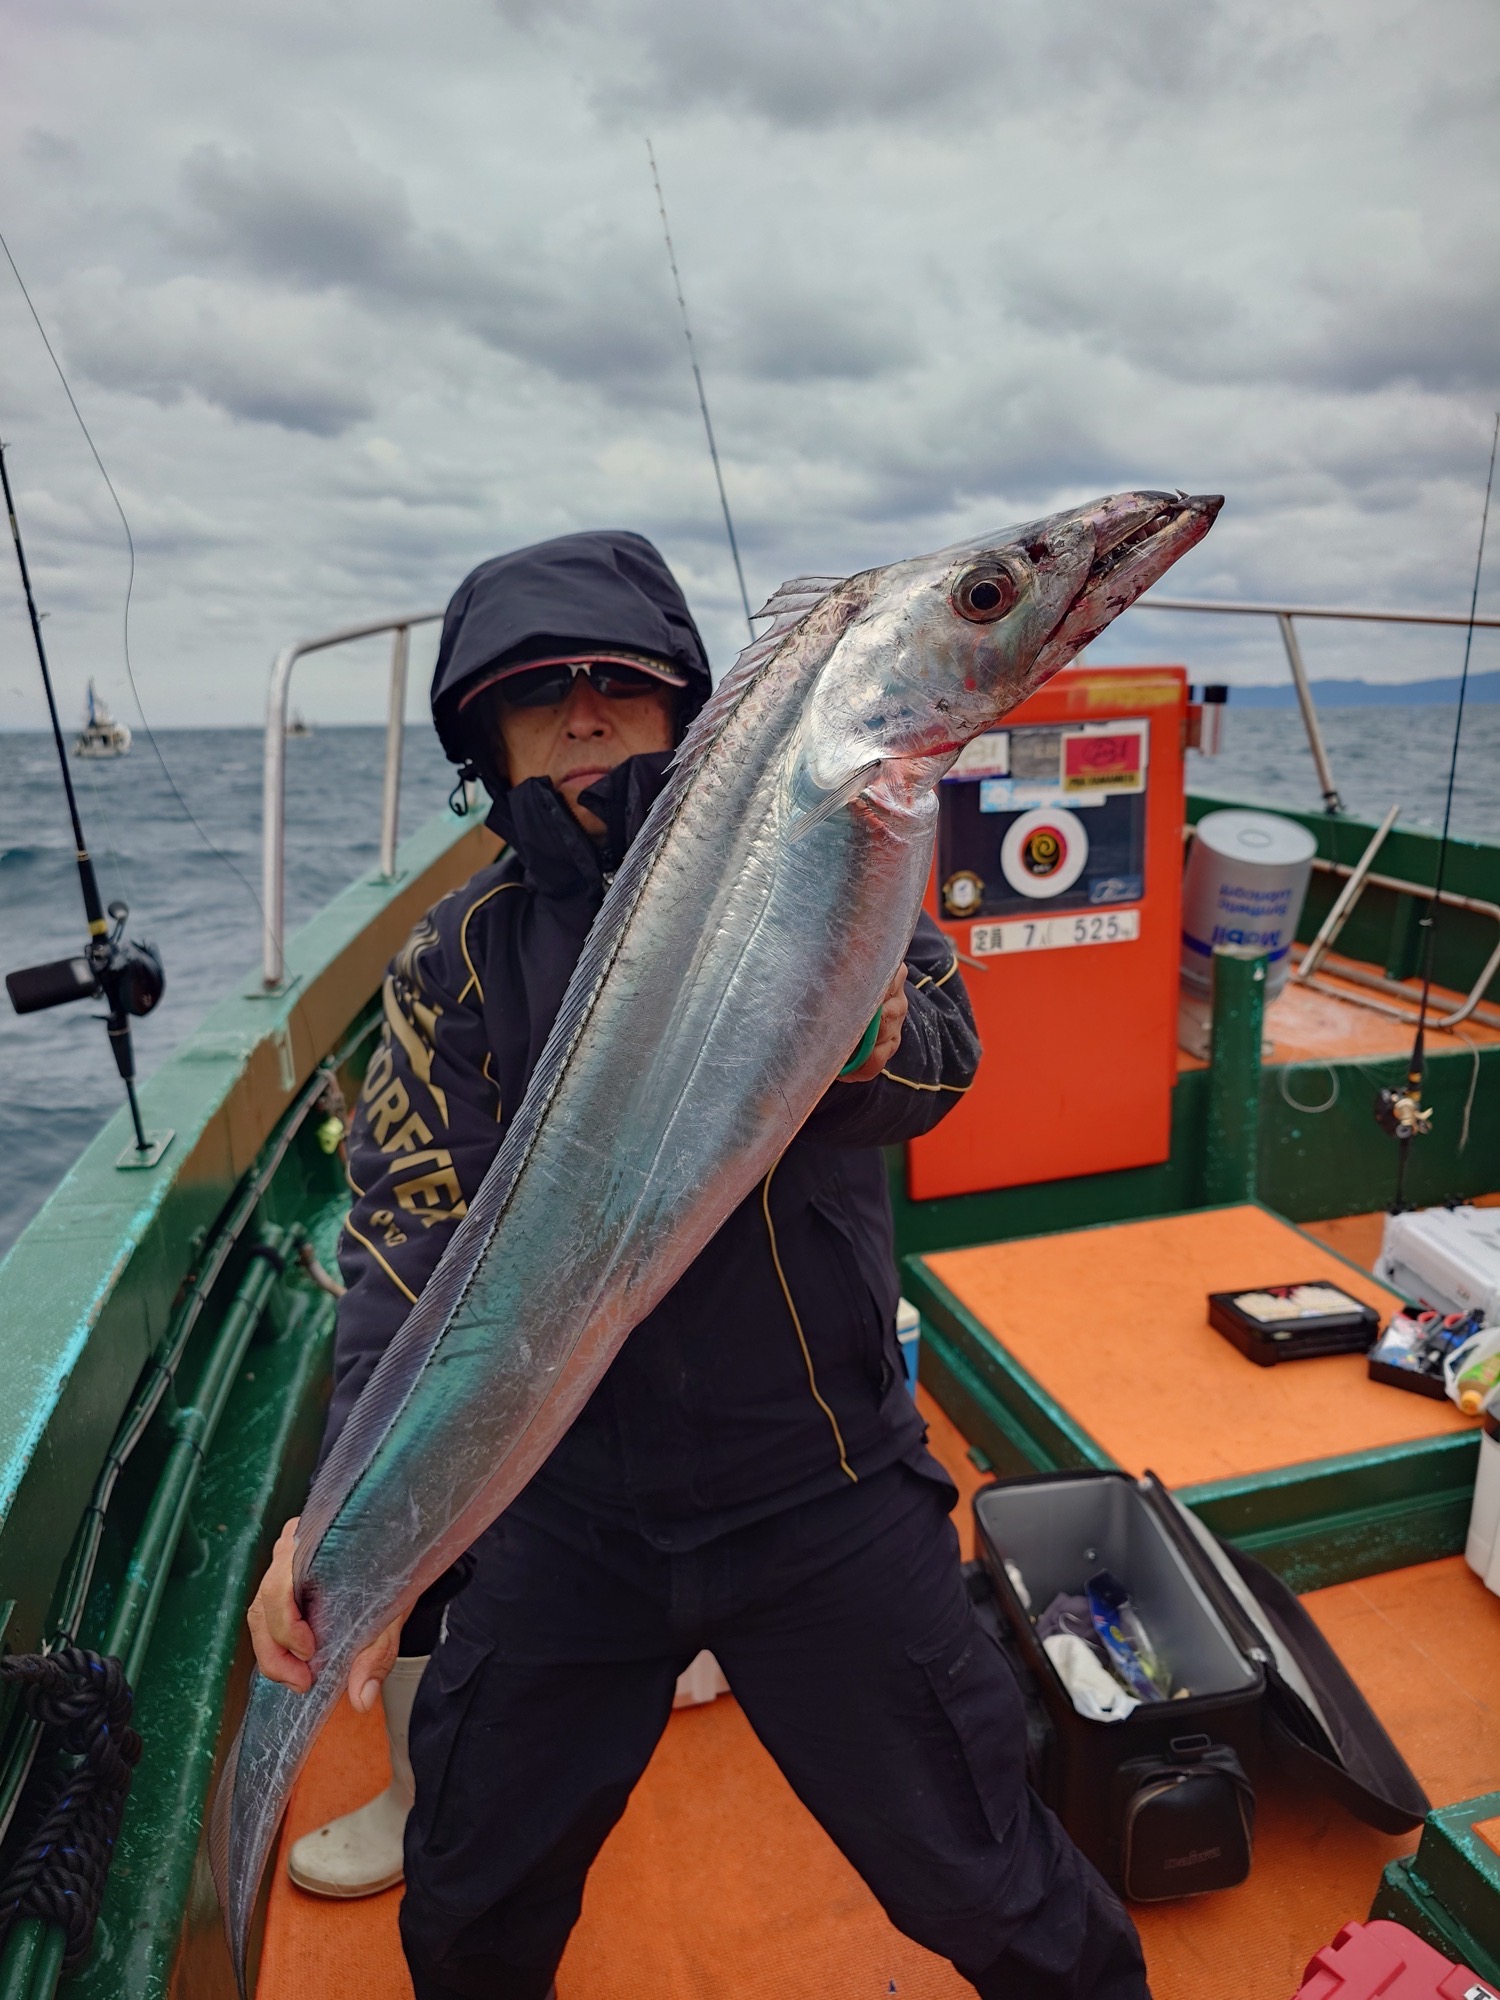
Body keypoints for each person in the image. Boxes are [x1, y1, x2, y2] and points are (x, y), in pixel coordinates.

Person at [248, 530, 1149, 2000]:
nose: (582, 712)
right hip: (565, 1521)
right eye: (536, 690)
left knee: (993, 1883)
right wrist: (338, 1514)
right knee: (470, 1902)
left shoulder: (844, 842)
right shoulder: (452, 962)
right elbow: (406, 1249)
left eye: (616, 679)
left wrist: (859, 1038)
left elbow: (939, 1065)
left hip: (825, 1489)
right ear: (486, 735)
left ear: (686, 702)